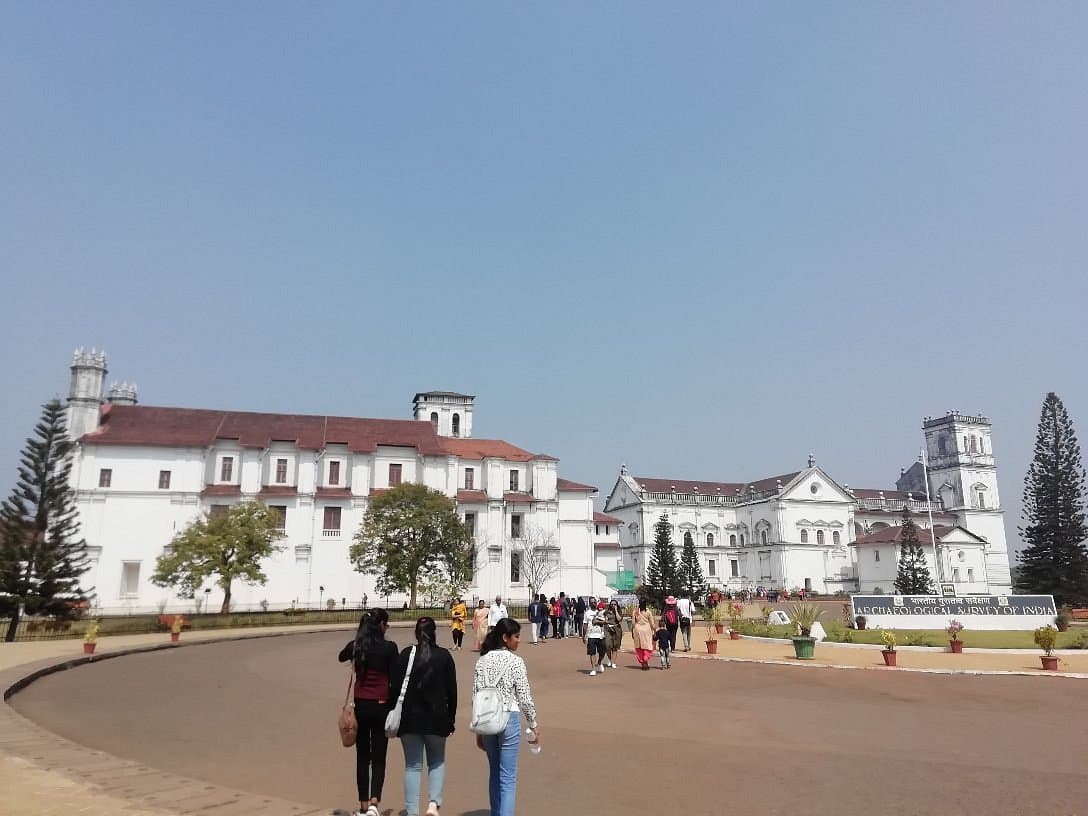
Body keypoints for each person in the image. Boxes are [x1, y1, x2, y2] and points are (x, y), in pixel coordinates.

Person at [391, 617, 457, 816]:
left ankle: (412, 811)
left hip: (410, 718)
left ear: (416, 633)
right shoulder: (444, 656)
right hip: (437, 717)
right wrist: (451, 719)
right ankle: (433, 804)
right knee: (436, 762)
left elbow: (394, 687)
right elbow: (452, 691)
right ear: (434, 632)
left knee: (412, 766)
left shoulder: (406, 655)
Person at [474, 618, 539, 816]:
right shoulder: (516, 662)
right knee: (508, 777)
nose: (519, 640)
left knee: (494, 772)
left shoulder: (482, 660)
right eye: (517, 636)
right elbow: (524, 697)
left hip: (486, 717)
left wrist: (478, 728)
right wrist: (533, 723)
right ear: (505, 638)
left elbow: (476, 693)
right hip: (508, 716)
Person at [337, 609, 399, 816]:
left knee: (362, 757)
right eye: (386, 624)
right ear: (381, 624)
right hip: (382, 704)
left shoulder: (357, 646)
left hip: (361, 705)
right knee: (379, 757)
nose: (387, 627)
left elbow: (341, 657)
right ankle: (374, 804)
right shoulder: (389, 647)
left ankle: (363, 805)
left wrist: (358, 639)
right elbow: (395, 677)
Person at [583, 601, 608, 675]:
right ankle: (593, 669)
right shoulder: (587, 613)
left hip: (601, 635)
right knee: (592, 652)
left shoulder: (601, 612)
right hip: (591, 635)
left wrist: (598, 621)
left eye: (595, 602)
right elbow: (586, 624)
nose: (594, 603)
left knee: (603, 651)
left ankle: (599, 662)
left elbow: (605, 621)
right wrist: (584, 635)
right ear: (590, 604)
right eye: (592, 602)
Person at [631, 598, 656, 670]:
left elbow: (633, 623)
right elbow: (652, 623)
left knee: (639, 647)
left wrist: (632, 631)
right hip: (646, 630)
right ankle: (645, 659)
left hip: (637, 630)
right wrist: (654, 631)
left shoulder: (635, 611)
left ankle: (642, 662)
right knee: (647, 646)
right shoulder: (648, 612)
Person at [603, 599, 624, 669]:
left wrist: (616, 611)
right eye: (612, 604)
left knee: (615, 646)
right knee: (607, 645)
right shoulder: (607, 612)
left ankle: (613, 662)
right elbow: (605, 621)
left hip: (616, 629)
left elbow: (619, 619)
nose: (613, 605)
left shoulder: (619, 611)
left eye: (615, 604)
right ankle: (609, 659)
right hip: (608, 629)